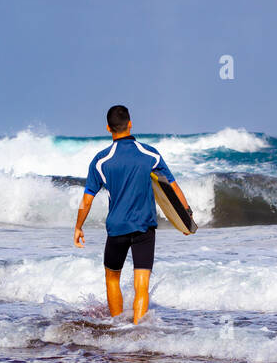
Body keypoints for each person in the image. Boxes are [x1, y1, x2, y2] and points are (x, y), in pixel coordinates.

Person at [73, 105, 190, 323]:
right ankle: (137, 332)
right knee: (142, 283)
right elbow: (173, 187)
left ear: (108, 128)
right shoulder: (150, 154)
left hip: (117, 228)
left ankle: (118, 329)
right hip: (144, 227)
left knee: (112, 278)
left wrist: (78, 227)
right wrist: (186, 219)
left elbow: (86, 199)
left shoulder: (101, 160)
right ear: (130, 124)